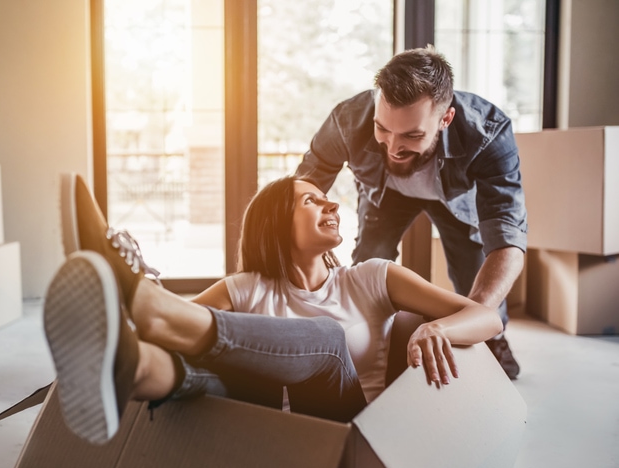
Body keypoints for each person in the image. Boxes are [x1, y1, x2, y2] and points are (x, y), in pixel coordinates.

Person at [44, 173, 501, 445]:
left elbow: (485, 318)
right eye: (310, 199)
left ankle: (148, 299)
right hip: (256, 437)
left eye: (326, 197)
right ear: (277, 225)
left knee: (327, 340)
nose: (331, 203)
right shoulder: (244, 288)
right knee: (211, 369)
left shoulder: (373, 276)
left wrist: (438, 328)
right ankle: (136, 369)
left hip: (346, 438)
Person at [295, 46, 527, 379]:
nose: (392, 146)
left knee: (471, 274)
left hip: (453, 200)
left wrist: (472, 321)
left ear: (446, 118)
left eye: (412, 135)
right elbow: (301, 190)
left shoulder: (488, 131)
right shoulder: (347, 120)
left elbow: (508, 237)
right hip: (385, 194)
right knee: (369, 261)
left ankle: (496, 338)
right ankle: (367, 343)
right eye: (382, 129)